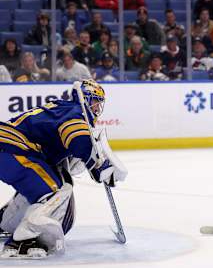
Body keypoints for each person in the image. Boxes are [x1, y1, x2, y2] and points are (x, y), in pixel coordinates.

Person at [0, 79, 126, 258]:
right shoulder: (75, 113)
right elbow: (79, 141)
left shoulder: (63, 108)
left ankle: (6, 222)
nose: (98, 107)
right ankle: (24, 240)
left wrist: (92, 163)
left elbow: (64, 153)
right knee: (56, 191)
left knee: (45, 184)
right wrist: (99, 167)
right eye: (96, 100)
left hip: (10, 148)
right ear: (86, 99)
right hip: (13, 149)